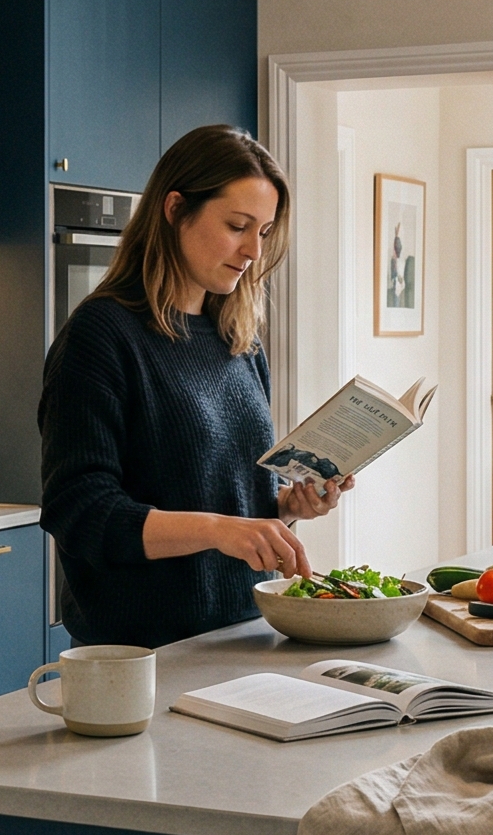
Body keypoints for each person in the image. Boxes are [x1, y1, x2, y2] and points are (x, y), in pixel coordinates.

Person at [39, 125, 352, 648]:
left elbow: (212, 486)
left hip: (248, 634)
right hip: (142, 655)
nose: (254, 249)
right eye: (237, 225)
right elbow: (80, 512)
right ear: (175, 208)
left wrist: (284, 506)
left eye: (265, 231)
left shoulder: (238, 340)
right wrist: (219, 529)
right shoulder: (101, 336)